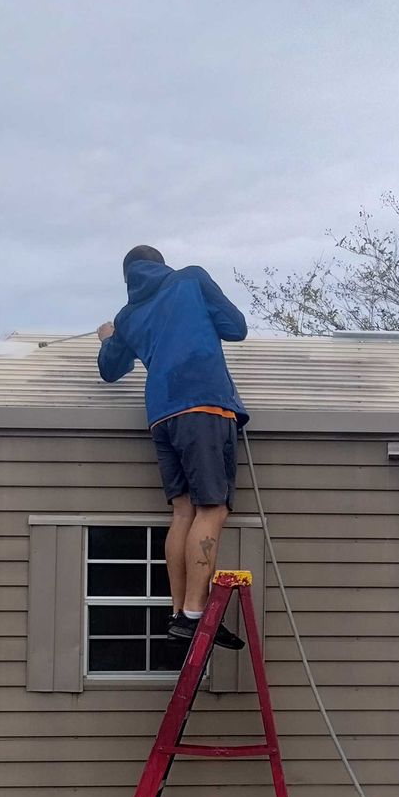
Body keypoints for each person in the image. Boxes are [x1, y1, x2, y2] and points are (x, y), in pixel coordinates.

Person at [98, 245, 249, 648]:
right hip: (202, 405)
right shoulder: (190, 279)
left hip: (161, 415)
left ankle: (181, 612)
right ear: (160, 265)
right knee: (212, 507)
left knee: (183, 510)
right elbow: (236, 327)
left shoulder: (128, 317)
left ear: (129, 277)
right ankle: (198, 614)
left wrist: (109, 337)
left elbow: (110, 370)